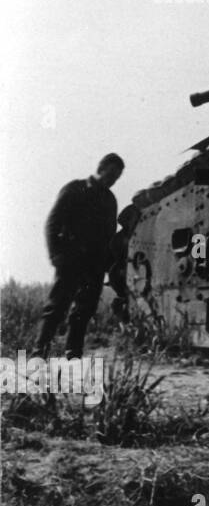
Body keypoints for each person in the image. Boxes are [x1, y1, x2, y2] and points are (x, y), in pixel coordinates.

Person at [35, 153, 125, 359]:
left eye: (117, 177)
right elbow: (52, 222)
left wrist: (108, 264)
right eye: (111, 174)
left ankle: (73, 352)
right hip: (71, 258)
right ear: (100, 168)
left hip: (95, 263)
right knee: (56, 307)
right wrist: (55, 254)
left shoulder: (110, 200)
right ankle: (39, 352)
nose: (113, 180)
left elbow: (110, 234)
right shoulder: (75, 189)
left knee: (84, 310)